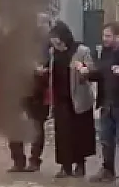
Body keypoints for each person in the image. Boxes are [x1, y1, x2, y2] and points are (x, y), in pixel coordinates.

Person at [80, 22, 119, 183]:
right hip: (105, 102)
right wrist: (87, 73)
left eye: (108, 36)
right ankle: (107, 169)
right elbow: (101, 74)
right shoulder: (105, 53)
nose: (104, 39)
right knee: (106, 139)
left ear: (118, 37)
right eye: (104, 35)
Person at [40, 21, 96, 178]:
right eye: (52, 38)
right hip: (60, 97)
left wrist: (83, 70)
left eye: (56, 38)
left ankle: (80, 164)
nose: (54, 41)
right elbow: (50, 70)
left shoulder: (81, 51)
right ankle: (65, 166)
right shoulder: (53, 53)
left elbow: (91, 71)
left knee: (79, 133)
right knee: (63, 134)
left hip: (78, 98)